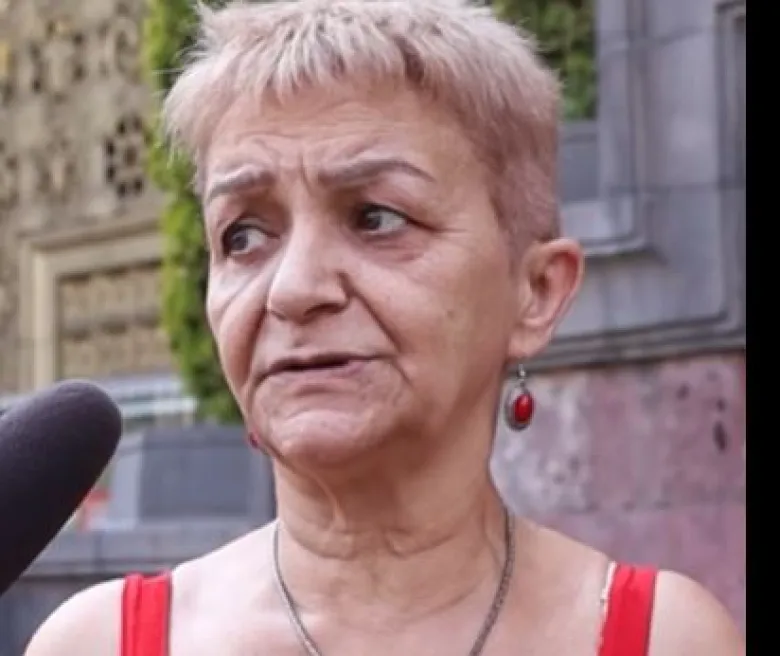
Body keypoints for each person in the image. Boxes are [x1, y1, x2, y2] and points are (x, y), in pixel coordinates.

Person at [26, 1, 744, 654]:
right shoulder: (97, 644)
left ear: (536, 291)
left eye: (376, 218)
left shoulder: (663, 639)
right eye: (243, 235)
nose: (294, 289)